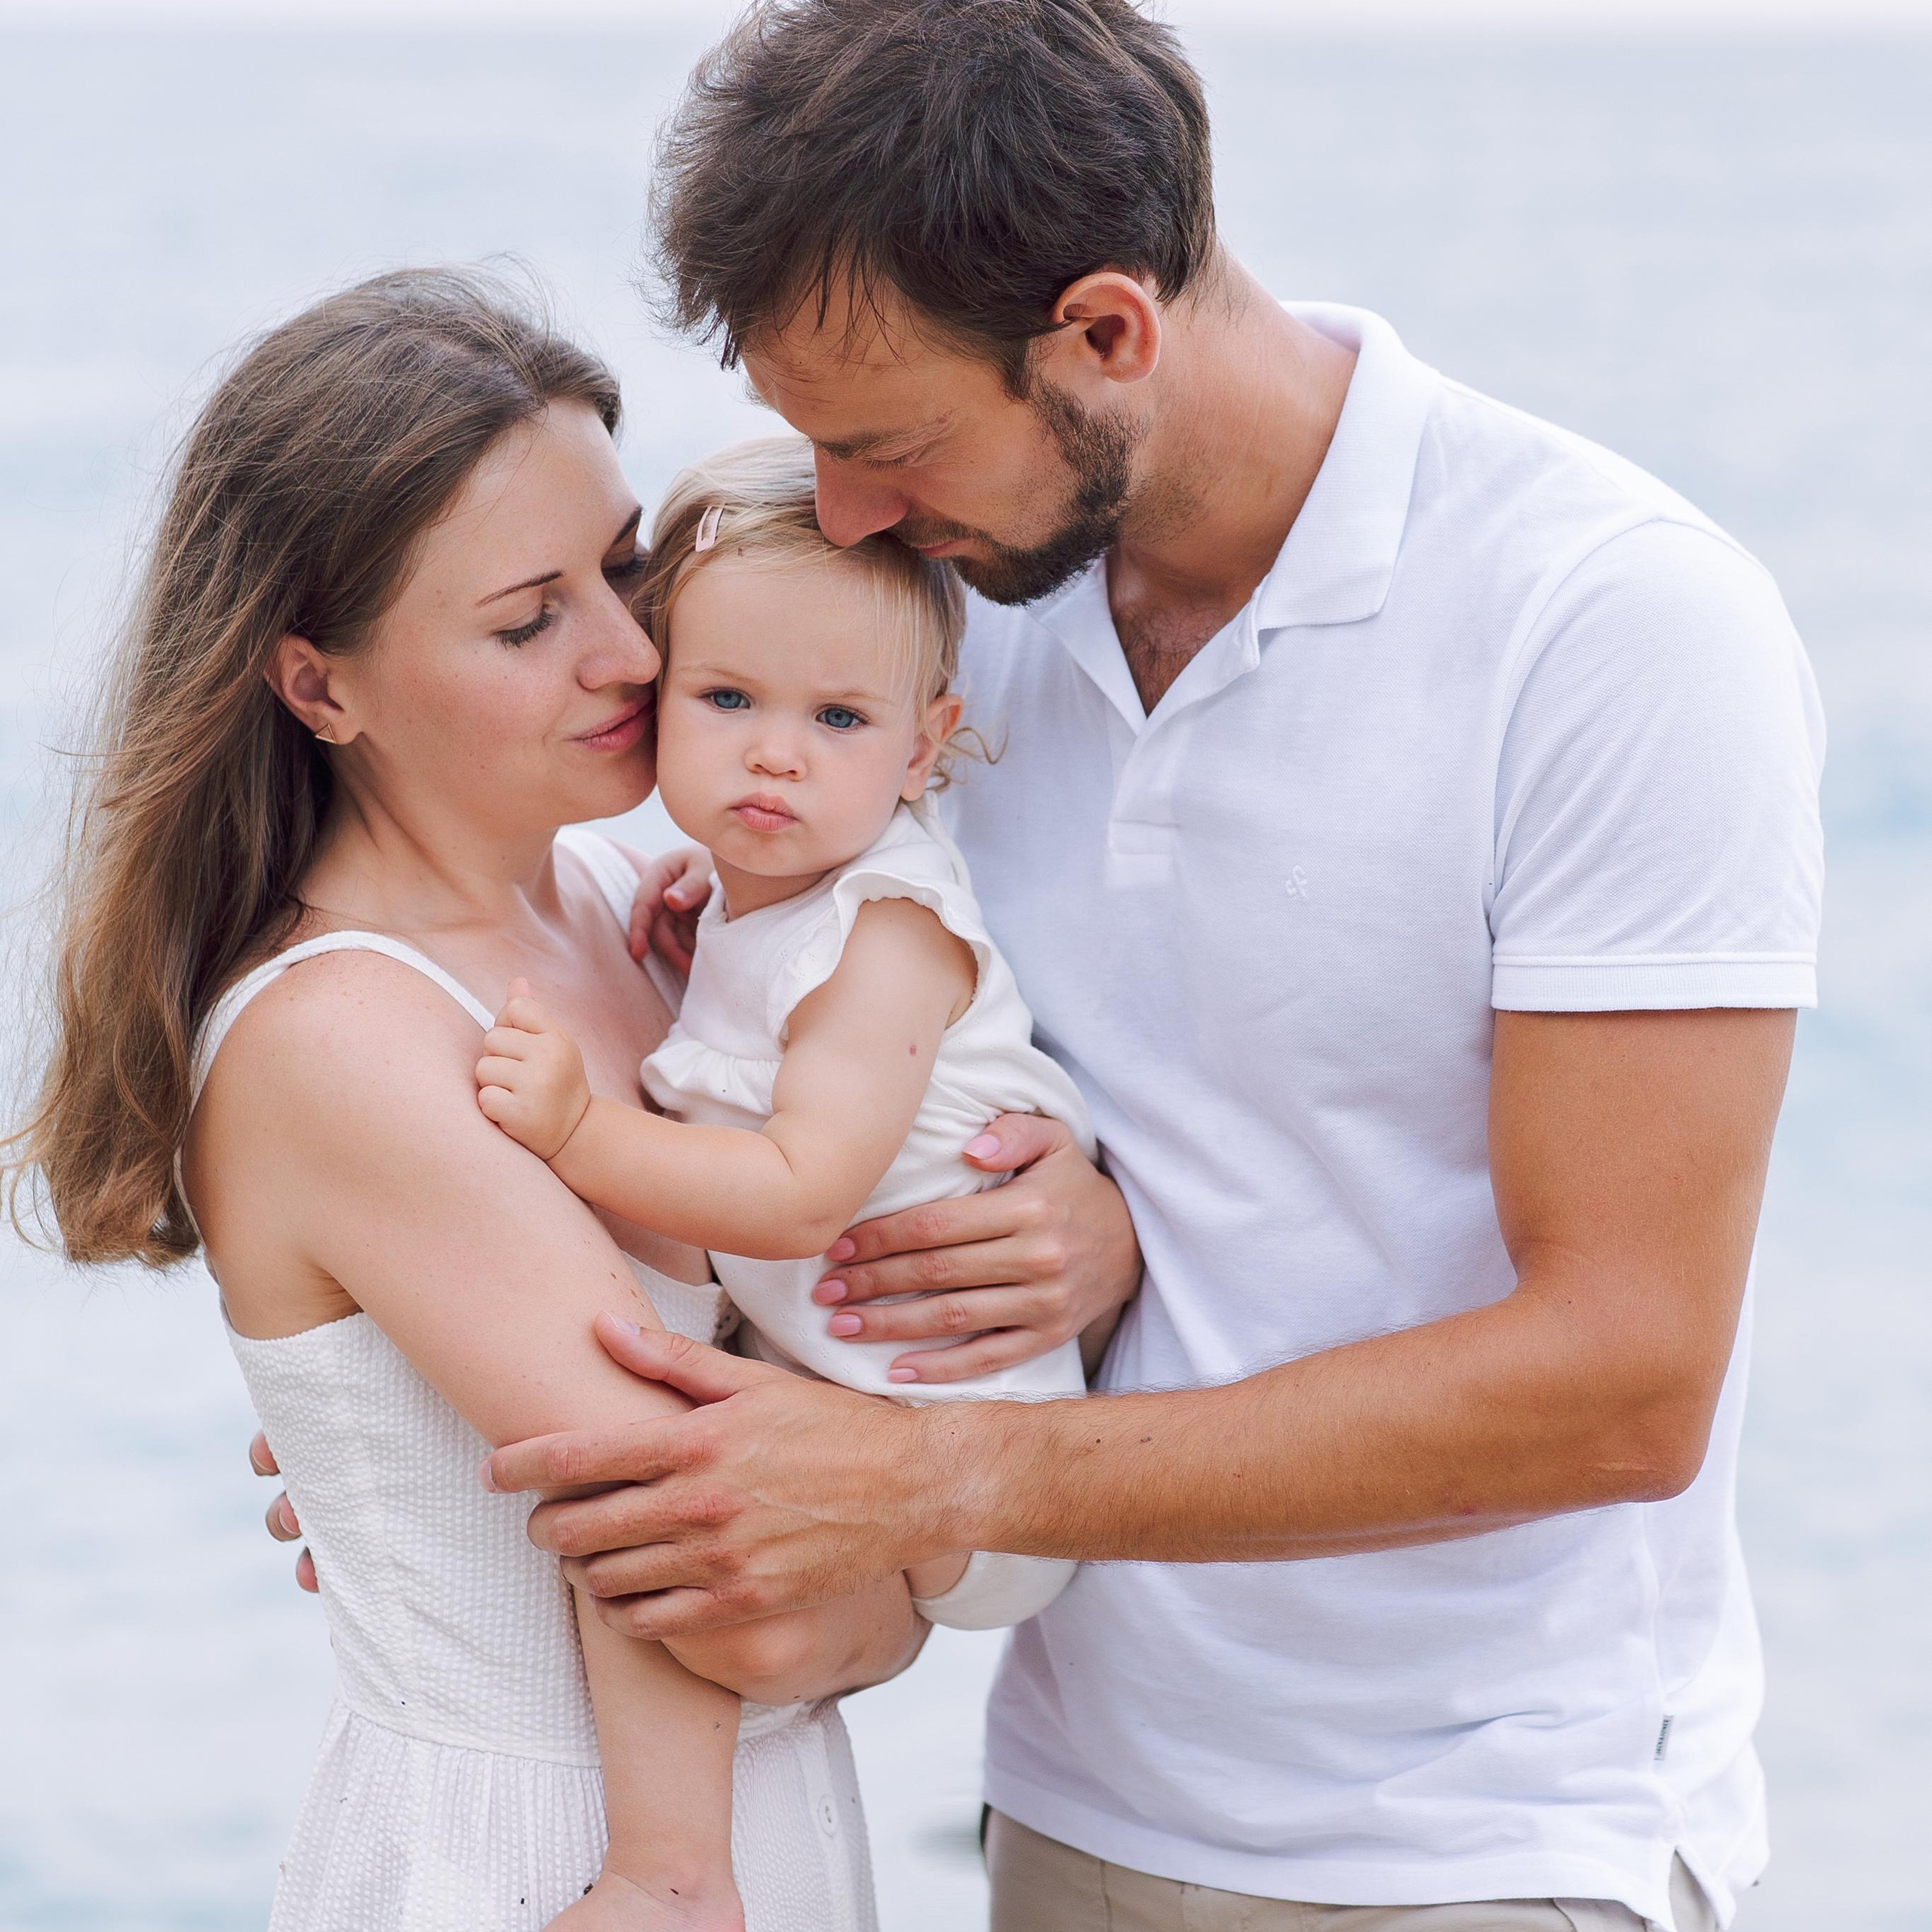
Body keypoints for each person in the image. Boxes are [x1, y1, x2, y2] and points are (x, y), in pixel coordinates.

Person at [472, 6, 1827, 1930]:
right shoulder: (946, 627)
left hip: (1493, 1846)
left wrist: (932, 1476)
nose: (847, 518)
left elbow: (1620, 1376)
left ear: (1105, 333)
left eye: (885, 446)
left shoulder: (1610, 628)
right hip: (1070, 1807)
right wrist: (462, 1398)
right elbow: (830, 1042)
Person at [8, 268, 1125, 1931]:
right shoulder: (345, 1038)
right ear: (320, 687)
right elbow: (727, 1590)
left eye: (623, 569)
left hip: (758, 1830)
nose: (630, 651)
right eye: (529, 618)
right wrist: (908, 1577)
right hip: (546, 1858)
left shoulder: (638, 908)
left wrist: (1076, 1221)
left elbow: (818, 1254)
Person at [478, 438, 1092, 1613]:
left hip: (960, 1452)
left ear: (922, 747)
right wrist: (716, 890)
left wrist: (576, 1131)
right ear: (653, 697)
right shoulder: (752, 895)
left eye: (841, 718)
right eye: (726, 699)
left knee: (648, 1590)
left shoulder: (886, 937)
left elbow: (803, 1191)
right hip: (833, 1391)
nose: (776, 751)